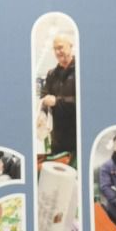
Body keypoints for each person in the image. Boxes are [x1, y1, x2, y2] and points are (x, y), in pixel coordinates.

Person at [40, 33, 78, 163]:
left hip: (76, 137)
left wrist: (57, 101)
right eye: (55, 49)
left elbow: (82, 101)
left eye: (60, 47)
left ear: (71, 46)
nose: (57, 52)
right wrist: (43, 113)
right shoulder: (52, 74)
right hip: (57, 137)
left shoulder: (81, 70)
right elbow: (44, 96)